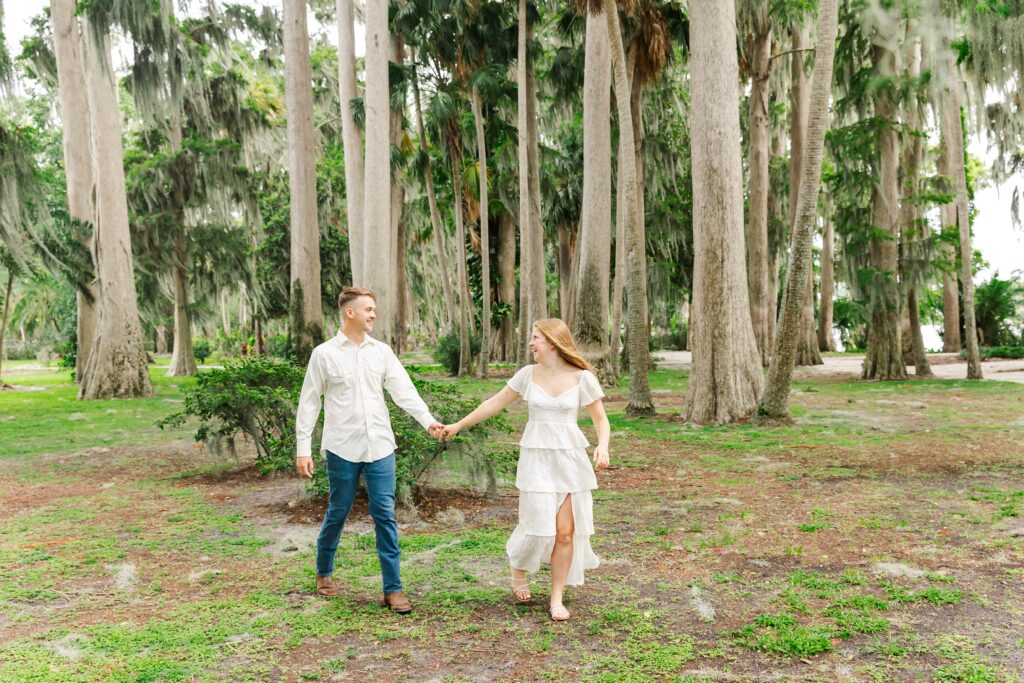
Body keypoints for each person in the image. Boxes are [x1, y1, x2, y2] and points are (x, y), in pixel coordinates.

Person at [442, 318, 610, 621]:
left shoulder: (582, 378)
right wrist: (458, 426)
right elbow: (494, 403)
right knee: (537, 525)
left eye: (535, 338)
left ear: (553, 342)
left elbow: (600, 419)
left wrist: (603, 445)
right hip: (537, 459)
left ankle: (556, 598)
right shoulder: (527, 375)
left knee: (566, 533)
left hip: (570, 458)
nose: (530, 344)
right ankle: (517, 568)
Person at [295, 287, 445, 613]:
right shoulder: (324, 354)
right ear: (350, 312)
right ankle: (324, 573)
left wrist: (427, 421)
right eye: (368, 309)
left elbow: (404, 390)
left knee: (385, 516)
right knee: (338, 510)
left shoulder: (381, 352)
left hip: (380, 446)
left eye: (374, 309)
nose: (373, 314)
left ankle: (393, 589)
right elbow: (309, 403)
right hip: (341, 448)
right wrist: (302, 448)